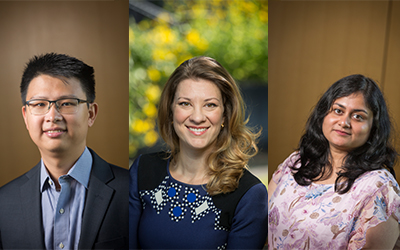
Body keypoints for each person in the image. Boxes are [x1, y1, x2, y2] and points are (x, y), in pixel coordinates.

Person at [129, 56, 268, 249]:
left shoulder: (249, 194)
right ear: (170, 112)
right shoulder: (142, 170)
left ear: (225, 115)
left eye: (210, 104)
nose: (197, 117)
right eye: (185, 103)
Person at [0, 53, 128, 249]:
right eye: (40, 104)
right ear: (26, 116)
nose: (53, 116)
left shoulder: (130, 190)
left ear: (91, 114)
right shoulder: (4, 202)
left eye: (67, 103)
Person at [268, 74, 400, 249]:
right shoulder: (296, 162)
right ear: (324, 114)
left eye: (358, 117)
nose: (344, 122)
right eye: (338, 111)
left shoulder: (379, 187)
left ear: (373, 128)